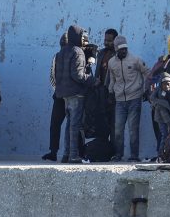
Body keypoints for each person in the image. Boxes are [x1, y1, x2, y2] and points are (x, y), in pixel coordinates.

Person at [54, 25, 96, 164]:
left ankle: (66, 154)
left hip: (64, 94)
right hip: (76, 93)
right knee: (75, 125)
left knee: (69, 125)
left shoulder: (61, 52)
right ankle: (73, 155)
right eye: (83, 37)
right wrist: (92, 80)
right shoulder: (78, 52)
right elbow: (78, 75)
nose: (84, 40)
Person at [106, 36, 149, 162]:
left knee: (133, 129)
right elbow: (112, 79)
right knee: (118, 130)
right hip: (119, 101)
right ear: (116, 49)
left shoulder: (135, 60)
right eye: (121, 49)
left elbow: (147, 73)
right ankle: (118, 155)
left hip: (134, 98)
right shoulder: (111, 63)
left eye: (125, 48)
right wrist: (110, 93)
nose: (124, 51)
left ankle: (134, 156)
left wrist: (146, 89)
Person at [43, 33, 68, 162]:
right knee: (55, 124)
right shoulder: (57, 57)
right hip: (59, 96)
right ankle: (53, 152)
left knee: (74, 125)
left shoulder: (77, 55)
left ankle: (74, 152)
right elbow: (52, 77)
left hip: (72, 97)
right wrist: (58, 91)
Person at [149, 73, 170, 159]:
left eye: (169, 84)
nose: (167, 86)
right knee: (164, 135)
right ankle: (160, 154)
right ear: (161, 84)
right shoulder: (159, 93)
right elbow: (152, 98)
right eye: (165, 84)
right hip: (161, 117)